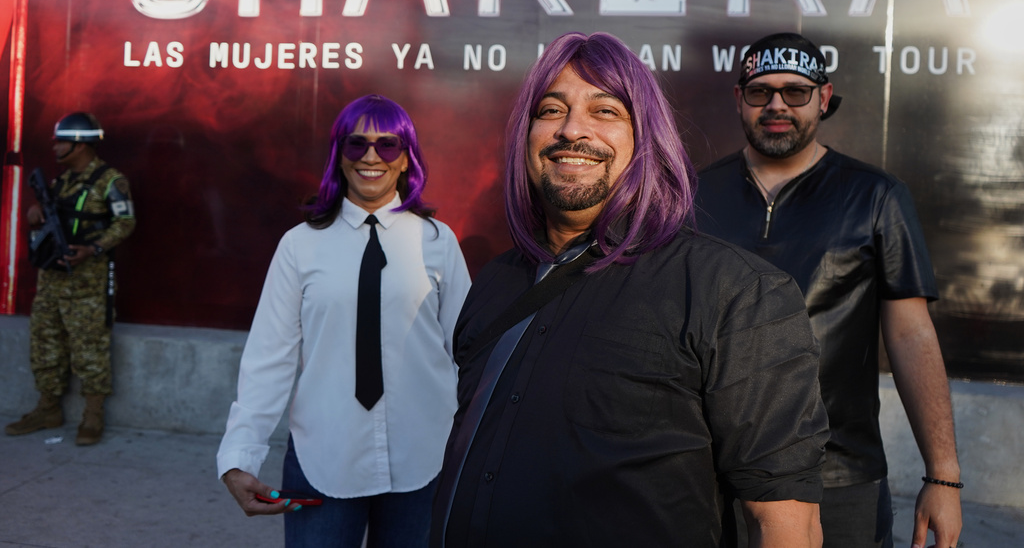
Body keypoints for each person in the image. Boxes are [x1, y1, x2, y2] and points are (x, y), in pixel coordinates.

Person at [431, 32, 830, 548]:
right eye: (551, 110)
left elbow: (785, 523)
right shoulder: (494, 282)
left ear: (648, 140)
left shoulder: (733, 291)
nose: (572, 129)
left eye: (605, 111)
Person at [694, 32, 962, 548]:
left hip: (840, 475)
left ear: (823, 97)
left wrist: (943, 476)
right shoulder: (693, 195)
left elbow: (911, 337)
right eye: (761, 92)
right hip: (711, 475)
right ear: (739, 99)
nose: (777, 105)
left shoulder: (876, 196)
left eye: (796, 91)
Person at [217, 95, 472, 548]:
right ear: (339, 155)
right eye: (357, 144)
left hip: (424, 456)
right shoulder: (299, 246)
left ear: (406, 159)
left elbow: (467, 351)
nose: (371, 157)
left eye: (388, 145)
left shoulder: (438, 241)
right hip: (324, 457)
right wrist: (240, 456)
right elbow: (269, 358)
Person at [5, 112, 136, 446]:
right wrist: (36, 215)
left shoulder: (110, 181)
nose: (56, 147)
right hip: (52, 278)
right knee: (45, 343)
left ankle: (92, 416)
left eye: (61, 141)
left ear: (80, 144)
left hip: (87, 282)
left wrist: (93, 248)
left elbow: (125, 223)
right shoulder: (61, 181)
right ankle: (48, 408)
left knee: (90, 348)